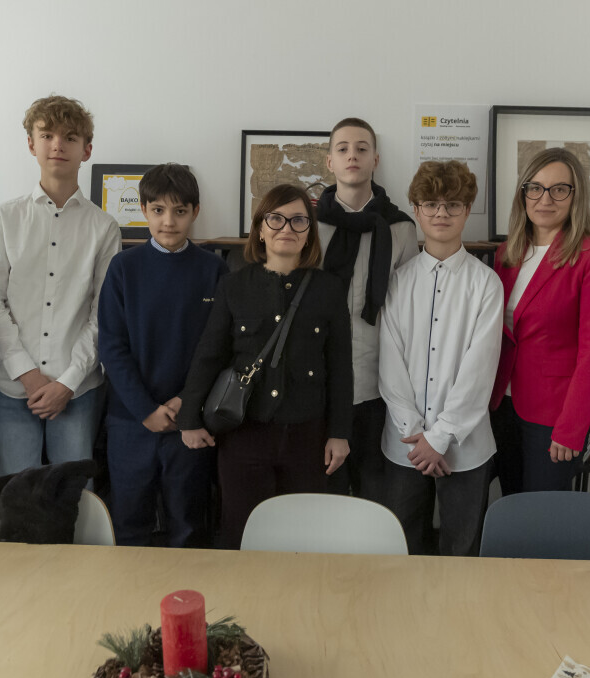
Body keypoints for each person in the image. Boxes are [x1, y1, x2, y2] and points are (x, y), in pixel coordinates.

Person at [179, 184, 352, 550]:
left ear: (309, 232)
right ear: (260, 229)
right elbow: (209, 355)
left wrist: (340, 433)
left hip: (308, 436)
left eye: (298, 220)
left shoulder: (329, 289)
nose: (286, 228)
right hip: (244, 433)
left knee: (303, 538)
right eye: (276, 219)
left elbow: (340, 367)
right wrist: (189, 419)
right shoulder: (234, 286)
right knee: (242, 534)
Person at [0, 95, 121, 476]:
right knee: (11, 493)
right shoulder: (5, 218)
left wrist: (68, 382)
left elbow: (104, 312)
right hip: (10, 384)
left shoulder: (104, 227)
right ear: (31, 144)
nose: (58, 145)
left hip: (78, 389)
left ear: (86, 150)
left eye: (70, 137)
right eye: (47, 135)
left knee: (73, 495)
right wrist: (27, 373)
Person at [375, 160, 503, 556]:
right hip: (405, 443)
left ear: (468, 210)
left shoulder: (486, 283)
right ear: (416, 210)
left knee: (461, 551)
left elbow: (480, 371)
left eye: (453, 205)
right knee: (400, 548)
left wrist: (441, 436)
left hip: (465, 446)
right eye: (431, 204)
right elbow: (390, 364)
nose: (441, 213)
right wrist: (418, 434)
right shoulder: (398, 281)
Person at [97, 163, 226, 547]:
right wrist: (146, 410)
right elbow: (112, 346)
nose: (168, 221)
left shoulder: (214, 269)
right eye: (158, 210)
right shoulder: (123, 267)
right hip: (130, 420)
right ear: (143, 210)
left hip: (191, 418)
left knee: (188, 524)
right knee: (128, 522)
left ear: (195, 212)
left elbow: (219, 348)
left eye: (180, 211)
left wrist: (186, 403)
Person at [490, 148, 590, 495]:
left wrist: (572, 426)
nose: (545, 199)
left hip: (554, 415)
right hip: (502, 405)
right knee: (510, 504)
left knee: (541, 514)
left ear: (577, 196)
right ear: (523, 193)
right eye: (535, 188)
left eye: (559, 189)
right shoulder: (508, 253)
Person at [314, 118, 418, 497]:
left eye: (362, 148)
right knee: (324, 493)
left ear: (375, 159)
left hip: (380, 382)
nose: (352, 156)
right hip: (319, 381)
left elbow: (409, 308)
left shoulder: (400, 228)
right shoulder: (309, 225)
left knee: (375, 493)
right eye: (342, 149)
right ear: (330, 162)